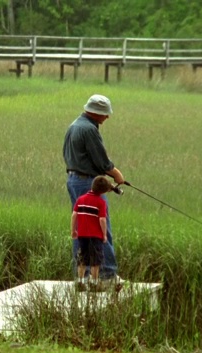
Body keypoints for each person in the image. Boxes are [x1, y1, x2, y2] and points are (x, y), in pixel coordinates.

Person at [63, 94, 127, 287]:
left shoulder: (74, 125)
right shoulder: (89, 129)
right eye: (105, 114)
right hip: (87, 183)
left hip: (74, 181)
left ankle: (84, 277)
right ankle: (106, 276)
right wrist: (116, 175)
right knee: (101, 229)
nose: (107, 118)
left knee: (81, 230)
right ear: (96, 113)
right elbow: (102, 161)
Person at [71, 176, 111, 291]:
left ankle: (80, 282)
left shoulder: (81, 199)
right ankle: (94, 283)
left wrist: (73, 230)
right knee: (95, 260)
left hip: (82, 235)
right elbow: (102, 220)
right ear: (103, 191)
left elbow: (74, 215)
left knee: (82, 258)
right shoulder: (101, 202)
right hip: (95, 236)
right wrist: (104, 234)